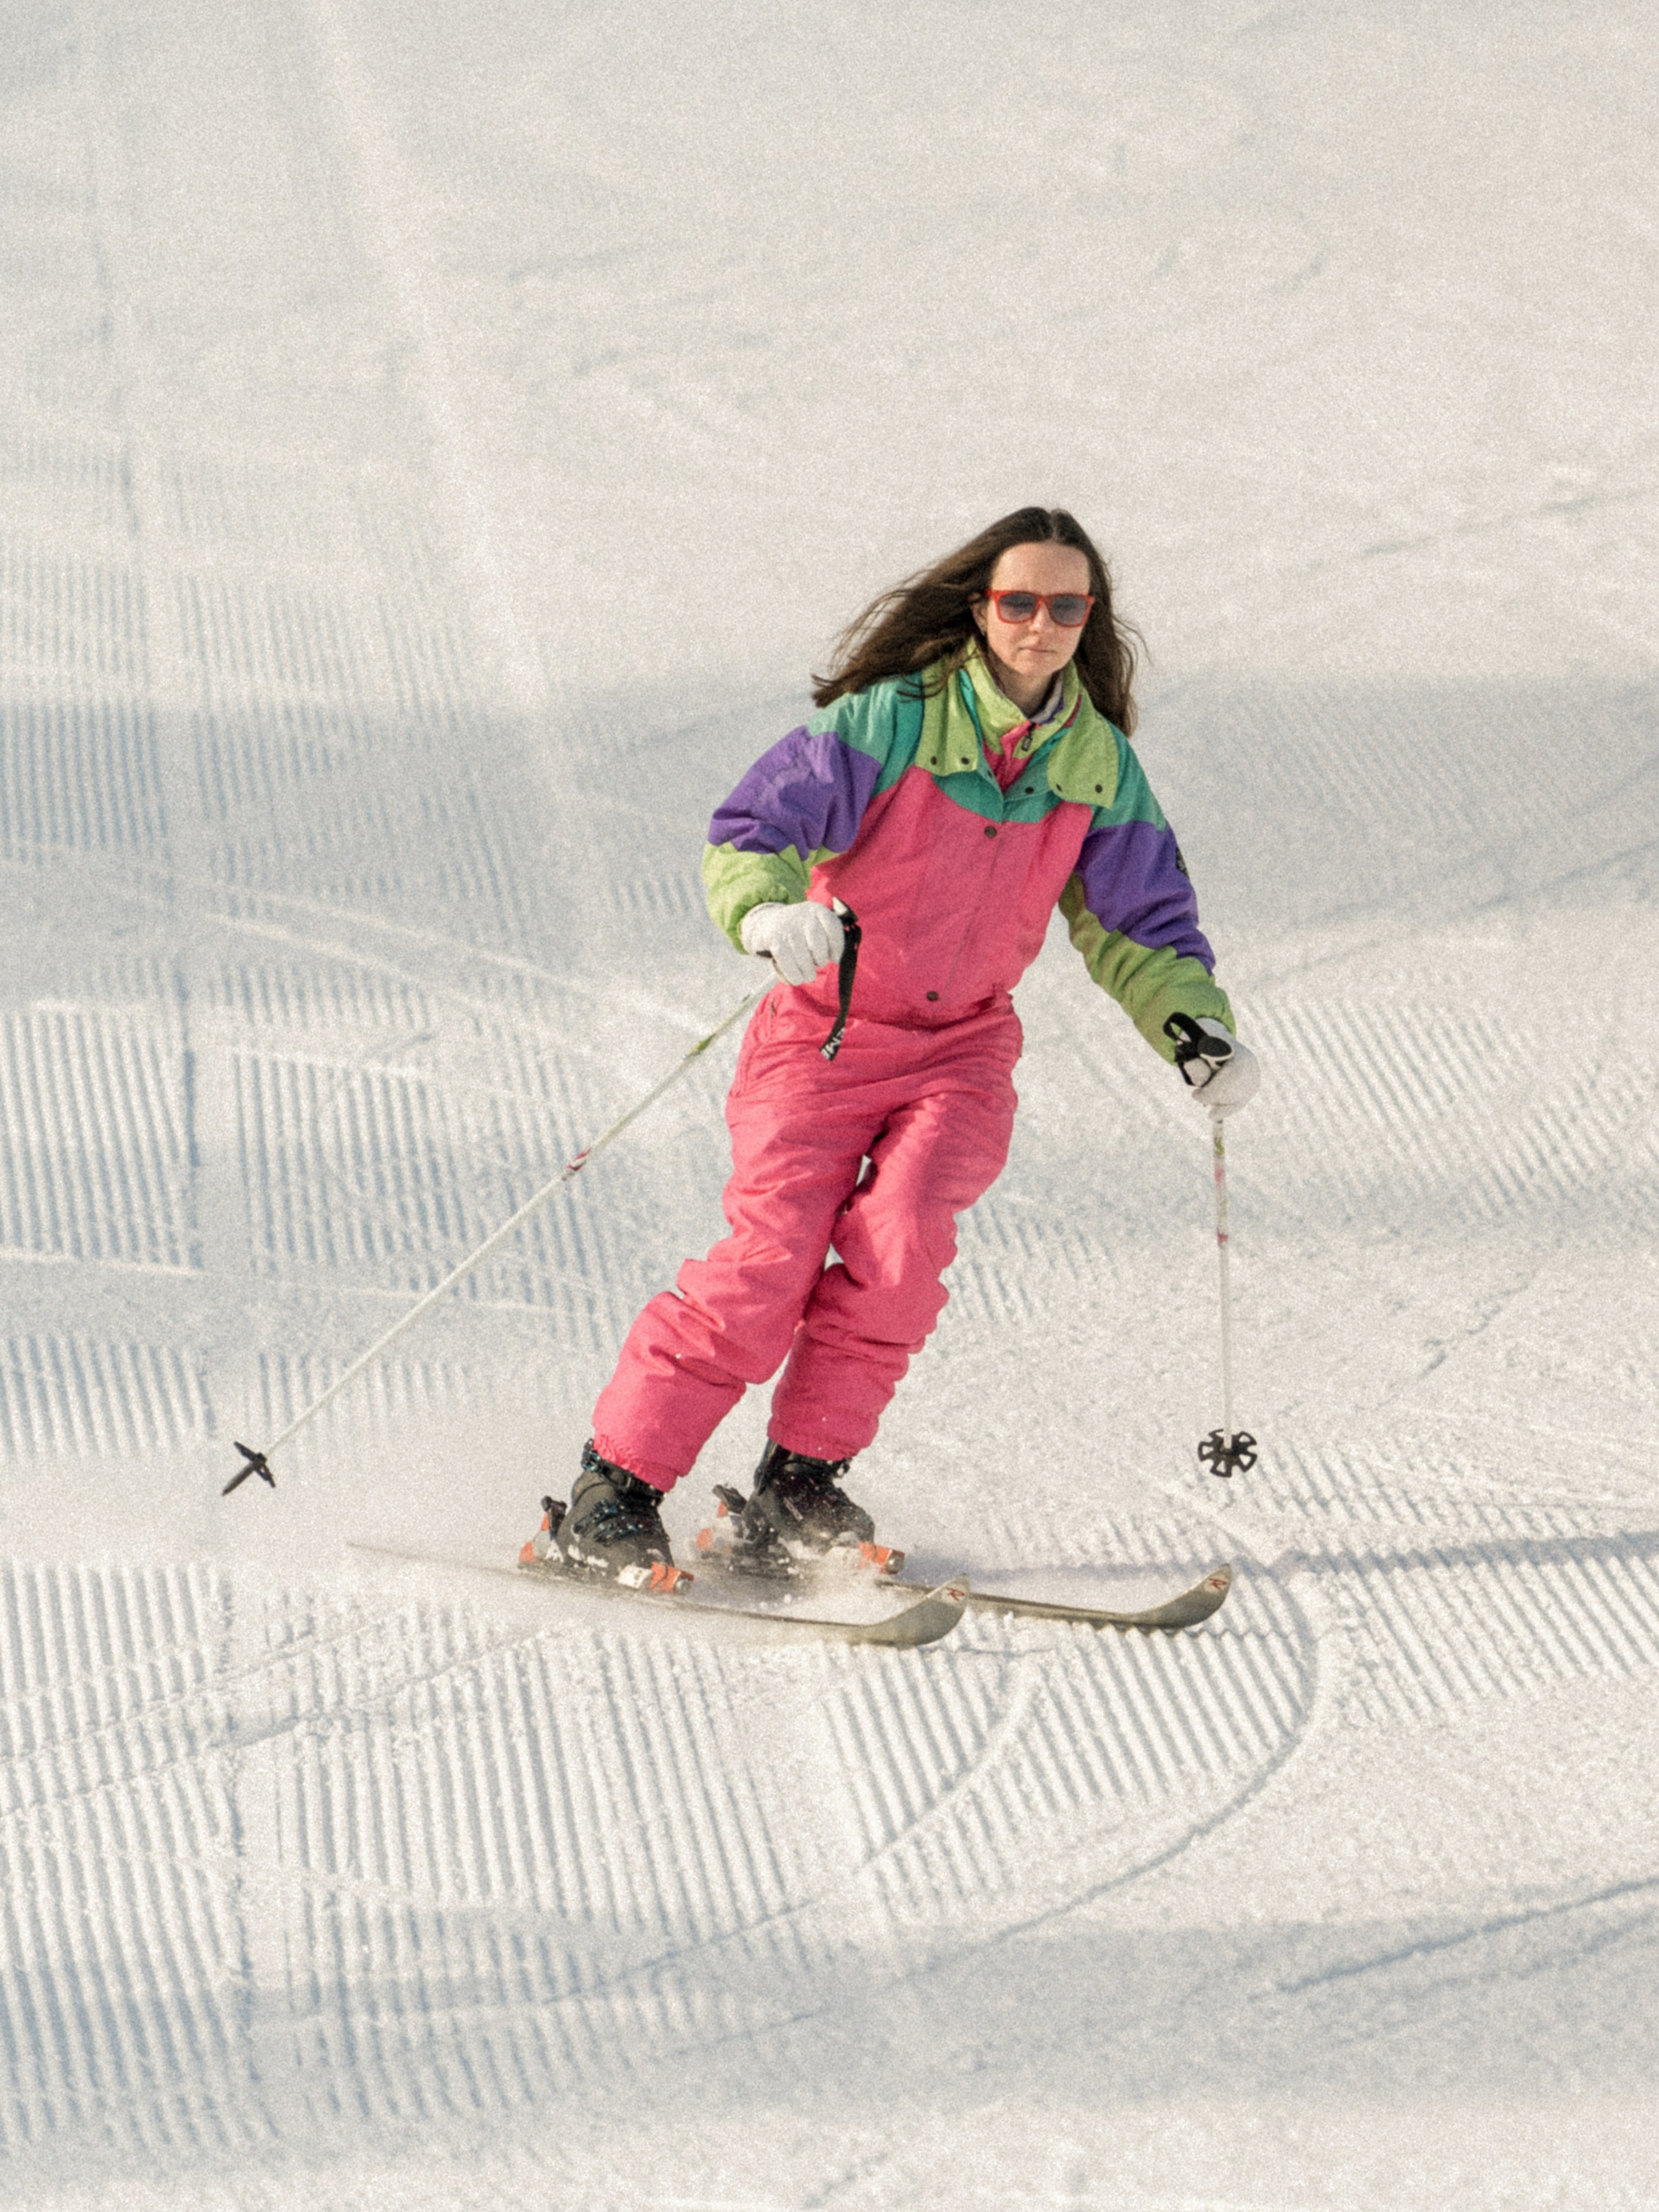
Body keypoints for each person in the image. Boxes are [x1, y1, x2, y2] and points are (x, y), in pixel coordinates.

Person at [528, 506, 1260, 1587]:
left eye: (1067, 606)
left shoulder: (1097, 764)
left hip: (961, 1050)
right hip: (825, 1032)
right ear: (980, 605)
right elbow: (751, 830)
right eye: (1020, 602)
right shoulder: (894, 721)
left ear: (1088, 620)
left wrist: (1192, 1024)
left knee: (905, 1244)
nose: (1041, 625)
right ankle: (611, 1491)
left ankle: (796, 1487)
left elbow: (1139, 922)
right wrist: (770, 916)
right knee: (771, 1261)